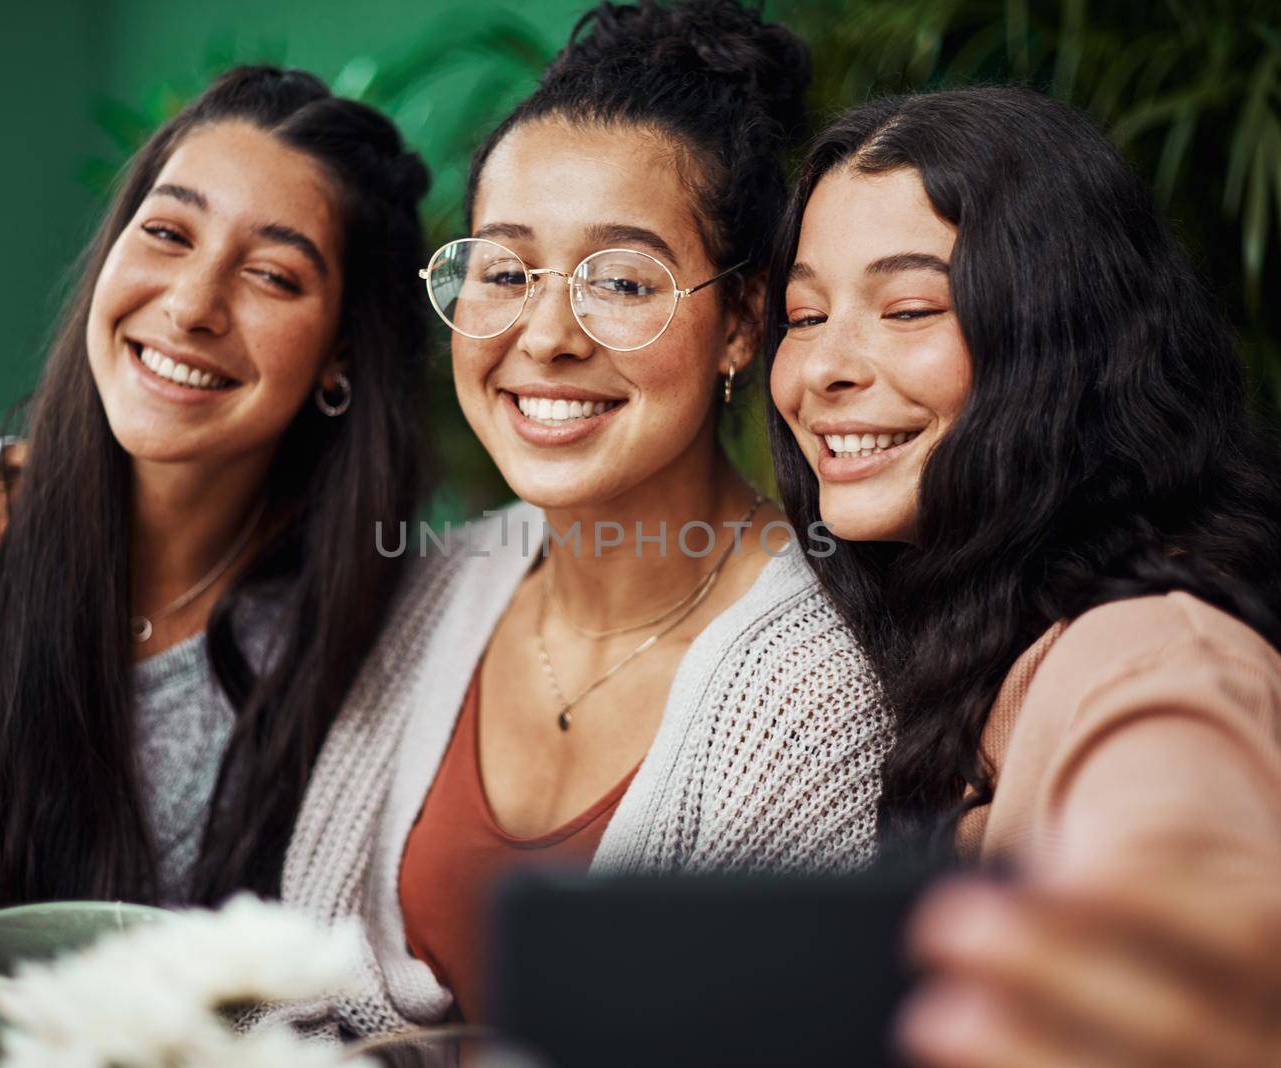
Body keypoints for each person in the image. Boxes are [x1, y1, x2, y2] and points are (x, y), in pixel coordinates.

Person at [268, 0, 886, 1035]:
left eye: (623, 280)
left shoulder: (816, 683)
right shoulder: (435, 586)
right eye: (504, 271)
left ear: (743, 321)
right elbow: (288, 995)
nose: (545, 333)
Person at [768, 86, 1281, 1065]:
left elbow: (1187, 892)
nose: (822, 368)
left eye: (907, 308)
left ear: (1062, 341)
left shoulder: (1154, 666)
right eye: (804, 315)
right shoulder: (997, 647)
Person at [0, 66, 430, 1001]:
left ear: (343, 350)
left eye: (271, 274)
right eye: (168, 234)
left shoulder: (367, 635)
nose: (191, 305)